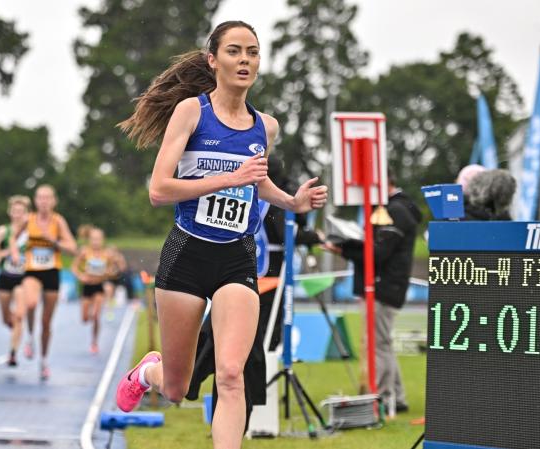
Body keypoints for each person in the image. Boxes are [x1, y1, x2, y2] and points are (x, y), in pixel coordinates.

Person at [115, 21, 328, 449]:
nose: (244, 60)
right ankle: (147, 373)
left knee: (231, 373)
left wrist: (292, 202)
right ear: (213, 60)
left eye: (252, 52)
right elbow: (159, 189)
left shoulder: (265, 127)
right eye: (234, 51)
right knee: (177, 388)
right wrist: (228, 177)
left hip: (237, 257)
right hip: (187, 253)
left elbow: (257, 183)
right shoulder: (192, 113)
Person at [186, 156, 329, 428]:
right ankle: (193, 379)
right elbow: (285, 232)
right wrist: (312, 236)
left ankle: (201, 382)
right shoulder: (264, 199)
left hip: (244, 273)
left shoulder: (257, 195)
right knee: (251, 343)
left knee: (229, 344)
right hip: (260, 276)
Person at [326, 176, 421, 414]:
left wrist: (344, 249)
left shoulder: (395, 210)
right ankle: (396, 398)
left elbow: (379, 253)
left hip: (384, 285)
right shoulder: (395, 207)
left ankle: (380, 397)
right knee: (383, 342)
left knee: (378, 344)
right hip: (386, 285)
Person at [10, 184, 77, 380]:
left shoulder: (58, 221)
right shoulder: (28, 219)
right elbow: (12, 238)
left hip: (52, 272)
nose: (44, 201)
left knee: (46, 323)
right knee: (30, 303)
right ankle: (30, 338)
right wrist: (14, 253)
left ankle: (44, 361)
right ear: (35, 201)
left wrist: (53, 240)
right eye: (40, 198)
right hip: (32, 270)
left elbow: (72, 248)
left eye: (48, 198)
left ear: (54, 201)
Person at [0, 195, 31, 367]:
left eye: (21, 212)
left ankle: (12, 353)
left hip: (23, 278)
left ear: (26, 213)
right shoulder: (2, 231)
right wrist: (2, 254)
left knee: (19, 316)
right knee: (7, 319)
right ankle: (15, 330)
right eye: (15, 211)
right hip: (5, 277)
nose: (18, 215)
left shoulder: (31, 232)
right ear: (9, 212)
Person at [71, 225, 111, 354]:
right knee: (85, 319)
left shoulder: (107, 253)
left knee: (96, 316)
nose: (96, 242)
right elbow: (74, 268)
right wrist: (81, 276)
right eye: (93, 239)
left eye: (98, 239)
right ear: (89, 240)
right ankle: (88, 314)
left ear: (103, 240)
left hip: (99, 287)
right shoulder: (84, 252)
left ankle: (94, 342)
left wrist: (107, 273)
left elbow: (113, 270)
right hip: (87, 287)